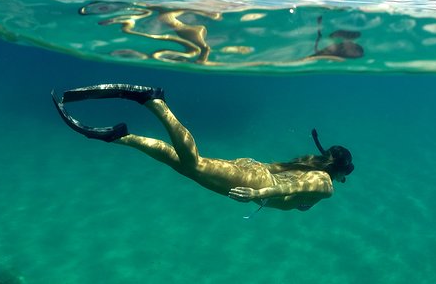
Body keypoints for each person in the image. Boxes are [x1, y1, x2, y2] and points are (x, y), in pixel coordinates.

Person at [51, 84, 354, 213]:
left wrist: (251, 172)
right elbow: (291, 188)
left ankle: (121, 136)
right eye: (345, 174)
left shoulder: (305, 164)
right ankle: (156, 102)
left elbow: (279, 172)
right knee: (192, 164)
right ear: (338, 171)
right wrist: (257, 193)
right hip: (257, 183)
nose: (343, 179)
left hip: (253, 169)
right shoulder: (325, 184)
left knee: (183, 165)